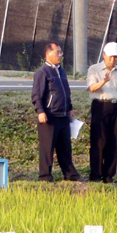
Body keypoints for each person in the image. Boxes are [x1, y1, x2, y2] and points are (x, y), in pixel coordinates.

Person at [31, 42, 81, 182]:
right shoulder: (42, 72)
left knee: (65, 148)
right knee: (47, 149)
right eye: (57, 53)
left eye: (61, 53)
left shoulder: (61, 71)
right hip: (50, 116)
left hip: (63, 116)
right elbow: (37, 95)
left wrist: (70, 108)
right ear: (48, 54)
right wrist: (40, 111)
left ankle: (70, 175)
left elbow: (66, 92)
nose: (60, 55)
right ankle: (45, 176)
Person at [87, 41, 117, 184]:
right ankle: (95, 175)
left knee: (113, 141)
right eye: (111, 57)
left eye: (116, 57)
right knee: (99, 141)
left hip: (115, 106)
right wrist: (103, 81)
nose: (113, 60)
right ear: (104, 55)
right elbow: (92, 88)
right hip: (100, 106)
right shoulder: (94, 69)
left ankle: (109, 175)